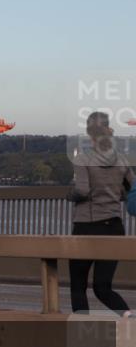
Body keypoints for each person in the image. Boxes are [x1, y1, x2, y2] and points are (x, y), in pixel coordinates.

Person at [67, 111, 133, 317]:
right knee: (103, 287)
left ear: (89, 133)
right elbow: (133, 189)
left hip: (87, 227)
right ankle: (129, 320)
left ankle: (82, 332)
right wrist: (115, 193)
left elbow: (82, 191)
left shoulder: (84, 160)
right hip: (114, 227)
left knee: (78, 286)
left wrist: (69, 194)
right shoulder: (121, 160)